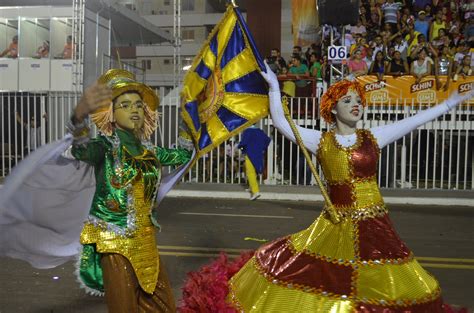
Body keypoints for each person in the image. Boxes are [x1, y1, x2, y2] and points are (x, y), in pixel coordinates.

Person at [179, 63, 474, 312]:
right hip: (334, 224)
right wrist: (272, 87)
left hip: (375, 225)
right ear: (332, 109)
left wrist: (448, 104)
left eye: (357, 99)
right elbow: (282, 123)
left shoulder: (374, 137)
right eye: (347, 100)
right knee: (330, 282)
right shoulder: (320, 141)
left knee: (385, 281)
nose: (355, 104)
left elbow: (413, 121)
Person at [0, 69, 195, 312]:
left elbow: (184, 153)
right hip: (112, 244)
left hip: (145, 243)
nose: (134, 109)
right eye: (125, 105)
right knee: (124, 306)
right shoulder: (104, 148)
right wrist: (78, 116)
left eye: (138, 105)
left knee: (162, 306)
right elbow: (81, 149)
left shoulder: (150, 152)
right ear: (111, 114)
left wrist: (191, 116)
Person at [238, 126, 271, 200]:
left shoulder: (247, 131)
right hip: (259, 153)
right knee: (255, 170)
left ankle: (255, 192)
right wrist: (262, 148)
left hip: (250, 153)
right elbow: (268, 140)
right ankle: (251, 187)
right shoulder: (260, 131)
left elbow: (243, 143)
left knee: (250, 172)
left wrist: (240, 147)